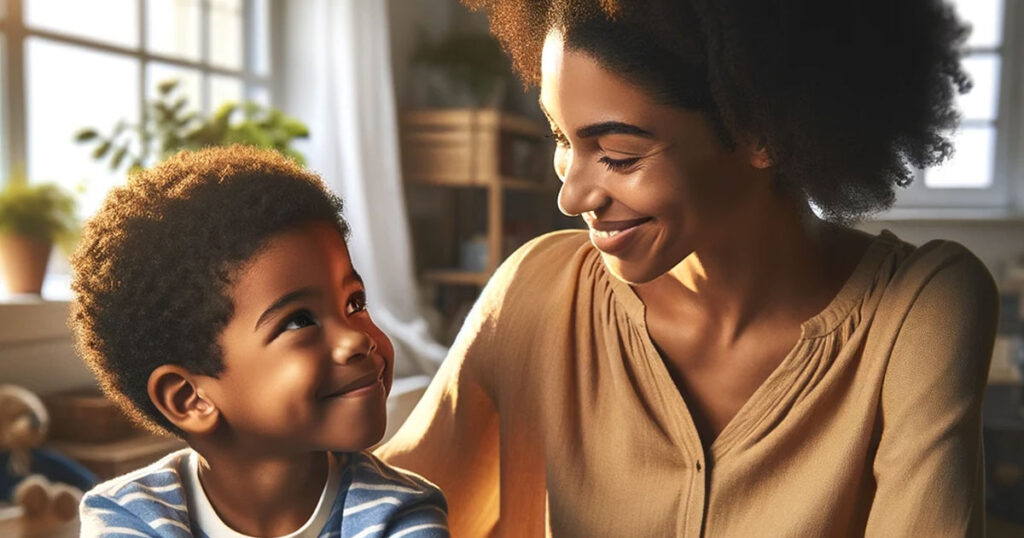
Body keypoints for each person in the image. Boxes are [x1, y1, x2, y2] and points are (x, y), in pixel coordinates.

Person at [377, 1, 998, 536]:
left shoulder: (920, 309)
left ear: (763, 132)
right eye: (561, 139)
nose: (571, 198)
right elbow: (387, 498)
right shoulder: (537, 290)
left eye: (619, 155)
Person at [70, 146, 449, 537]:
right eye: (299, 321)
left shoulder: (401, 514)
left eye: (354, 302)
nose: (356, 338)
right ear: (190, 398)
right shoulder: (126, 516)